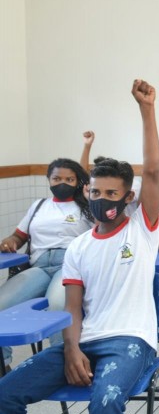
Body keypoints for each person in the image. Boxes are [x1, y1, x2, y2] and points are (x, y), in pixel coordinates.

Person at [0, 79, 159, 414]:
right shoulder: (79, 246)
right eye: (94, 191)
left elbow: (152, 170)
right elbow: (72, 307)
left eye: (110, 192)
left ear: (127, 196)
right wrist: (72, 348)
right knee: (3, 397)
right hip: (86, 339)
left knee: (104, 402)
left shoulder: (142, 229)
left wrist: (146, 109)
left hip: (131, 339)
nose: (101, 198)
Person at [0, 149, 94, 372]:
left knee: (58, 306)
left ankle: (61, 366)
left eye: (69, 179)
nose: (62, 183)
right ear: (49, 180)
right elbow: (19, 236)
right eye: (57, 178)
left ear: (78, 181)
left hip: (69, 265)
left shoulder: (87, 207)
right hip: (39, 265)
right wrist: (10, 241)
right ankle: (3, 366)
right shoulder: (39, 205)